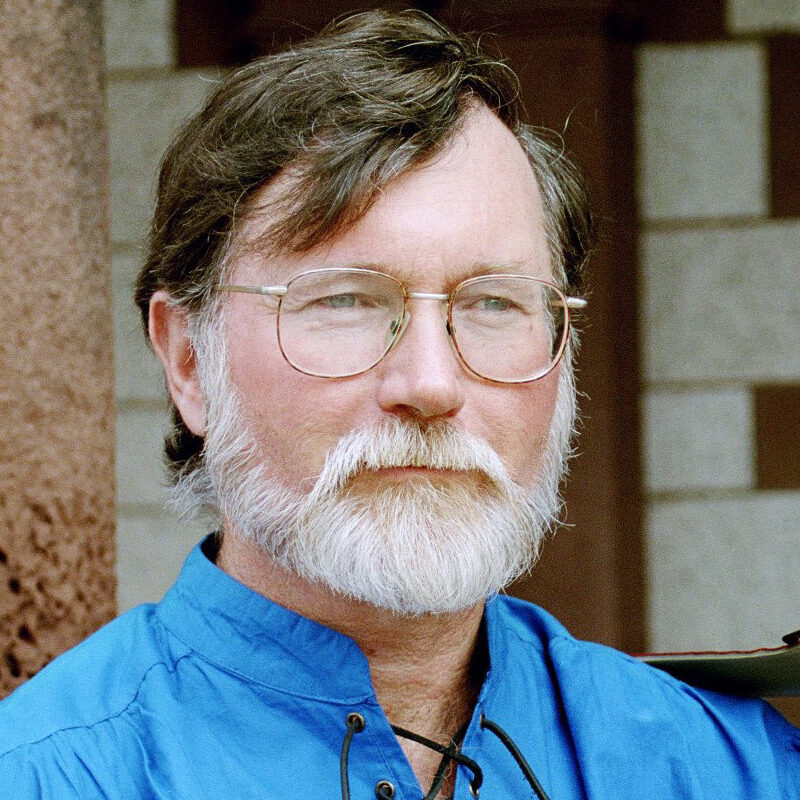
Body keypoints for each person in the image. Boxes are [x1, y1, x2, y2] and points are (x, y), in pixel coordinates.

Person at [0, 10, 797, 799]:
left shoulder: (731, 769)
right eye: (344, 300)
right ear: (187, 362)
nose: (430, 385)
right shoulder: (45, 776)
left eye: (493, 303)